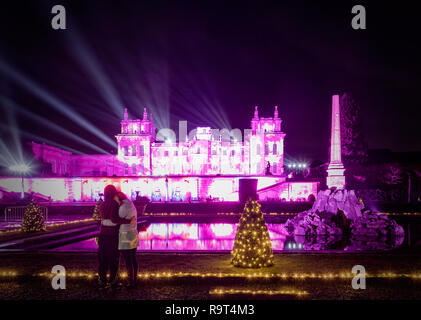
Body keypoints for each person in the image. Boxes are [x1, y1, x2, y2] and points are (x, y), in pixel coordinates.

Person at [98, 185, 132, 289]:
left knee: (103, 259)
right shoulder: (114, 204)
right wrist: (129, 221)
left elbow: (105, 218)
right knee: (113, 259)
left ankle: (102, 280)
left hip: (102, 234)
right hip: (112, 235)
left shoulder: (102, 204)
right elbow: (114, 219)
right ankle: (113, 281)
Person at [115, 192, 139, 288]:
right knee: (133, 257)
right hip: (133, 233)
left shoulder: (123, 207)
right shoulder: (131, 204)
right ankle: (134, 278)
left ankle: (130, 281)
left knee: (127, 259)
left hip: (125, 234)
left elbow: (117, 218)